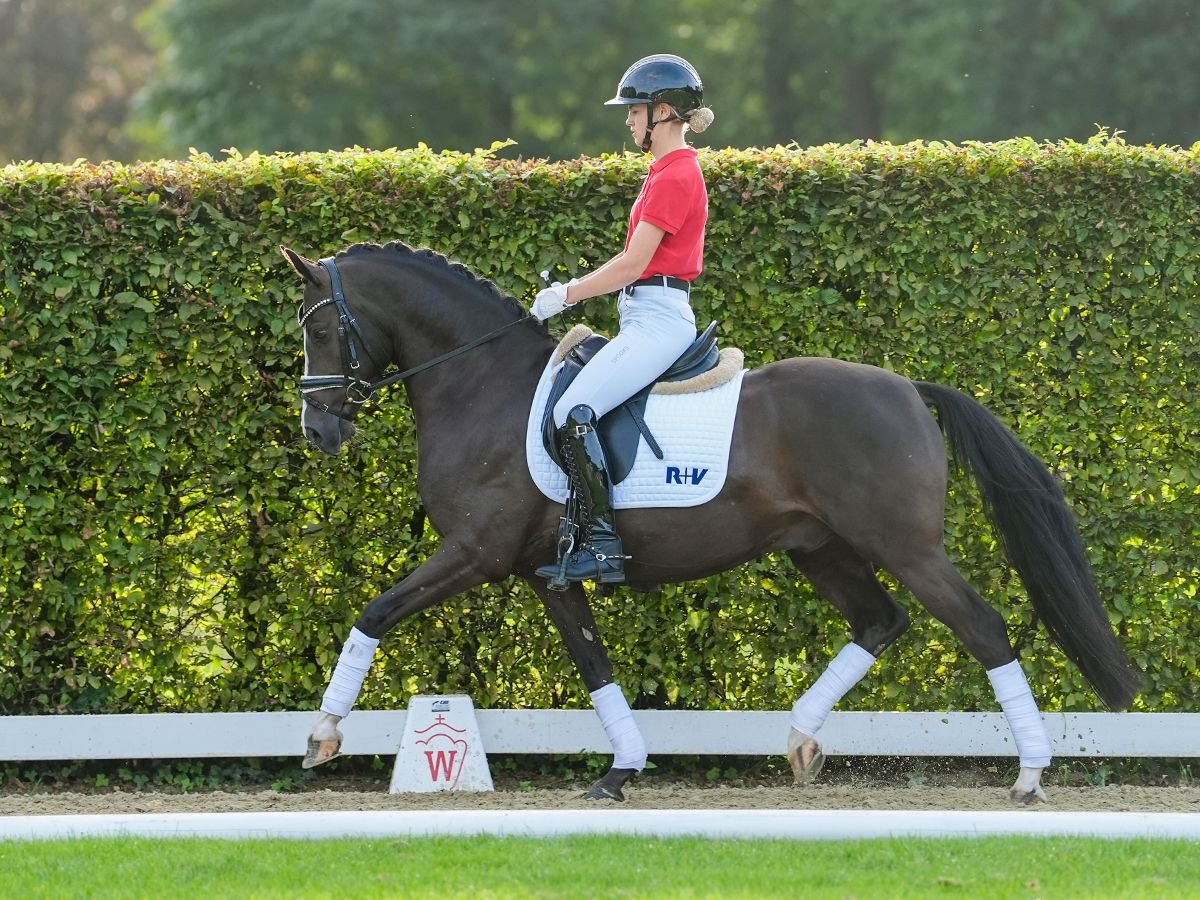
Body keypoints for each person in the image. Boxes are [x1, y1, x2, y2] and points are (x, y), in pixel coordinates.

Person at [530, 54, 716, 587]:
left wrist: (566, 294)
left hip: (657, 319)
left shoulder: (676, 173)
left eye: (634, 111)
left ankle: (603, 545)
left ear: (661, 112)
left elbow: (634, 264)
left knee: (572, 412)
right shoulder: (665, 171)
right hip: (644, 314)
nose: (628, 121)